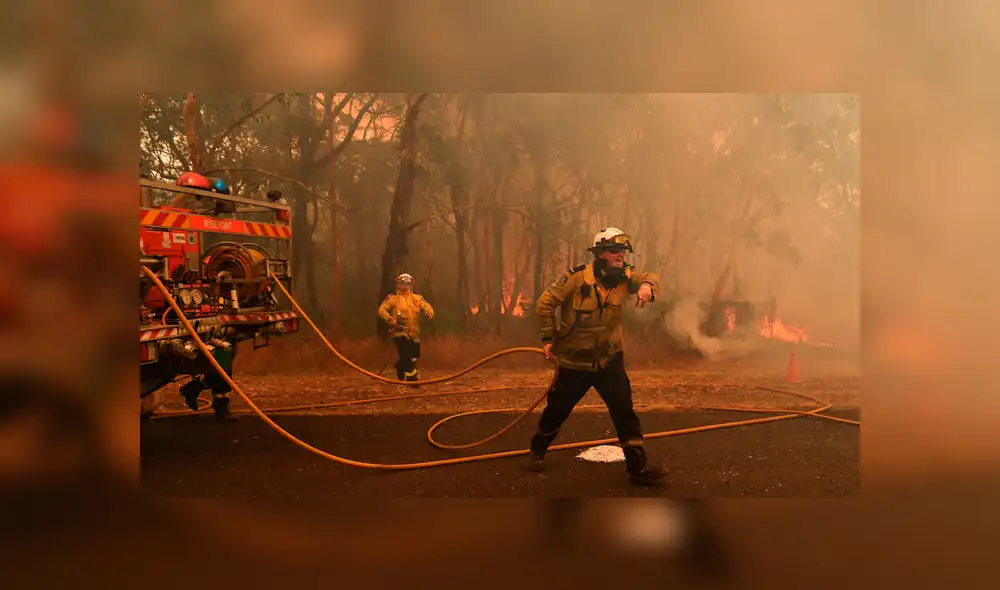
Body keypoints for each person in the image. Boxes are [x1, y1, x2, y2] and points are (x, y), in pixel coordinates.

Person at [527, 227, 669, 486]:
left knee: (624, 412)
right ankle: (537, 450)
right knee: (557, 409)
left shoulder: (625, 278)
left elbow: (650, 277)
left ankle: (638, 467)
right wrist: (548, 338)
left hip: (609, 360)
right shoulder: (575, 279)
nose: (620, 255)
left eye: (623, 251)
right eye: (615, 250)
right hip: (575, 360)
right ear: (600, 253)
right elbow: (545, 304)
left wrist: (647, 286)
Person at [378, 273, 435, 384]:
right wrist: (391, 321)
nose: (404, 286)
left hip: (414, 333)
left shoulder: (417, 297)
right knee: (407, 356)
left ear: (411, 285)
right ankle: (412, 380)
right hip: (399, 333)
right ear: (398, 284)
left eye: (407, 284)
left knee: (414, 356)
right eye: (402, 284)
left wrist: (429, 313)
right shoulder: (393, 298)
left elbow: (427, 307)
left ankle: (400, 366)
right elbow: (382, 310)